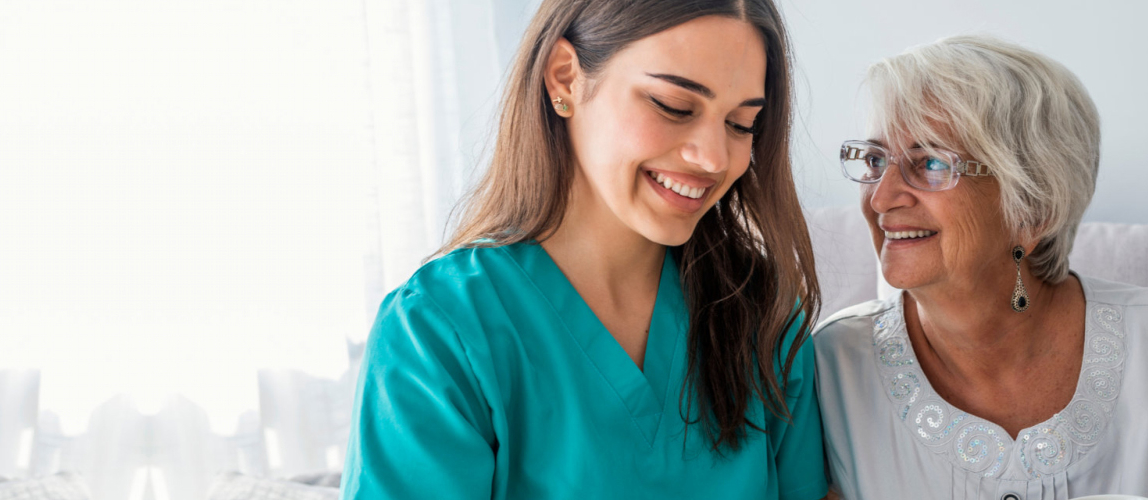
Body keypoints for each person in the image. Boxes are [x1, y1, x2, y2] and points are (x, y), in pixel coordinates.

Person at [342, 1, 826, 498]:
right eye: (674, 106)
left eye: (741, 123)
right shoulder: (440, 330)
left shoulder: (765, 313)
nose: (714, 157)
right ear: (564, 78)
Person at [814, 35, 1148, 500]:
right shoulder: (829, 370)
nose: (880, 197)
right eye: (875, 161)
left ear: (1033, 210)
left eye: (930, 164)